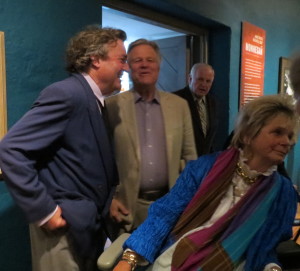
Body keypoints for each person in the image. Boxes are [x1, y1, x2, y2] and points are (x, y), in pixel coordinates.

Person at [113, 94, 299, 271]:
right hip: (178, 258)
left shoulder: (283, 194)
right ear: (248, 135)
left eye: (290, 136)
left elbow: (266, 248)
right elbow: (164, 214)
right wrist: (129, 258)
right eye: (278, 132)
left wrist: (272, 267)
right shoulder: (204, 168)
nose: (287, 142)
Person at [0, 25, 128, 271]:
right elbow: (10, 149)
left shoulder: (93, 100)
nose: (126, 67)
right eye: (121, 60)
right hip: (63, 233)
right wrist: (45, 211)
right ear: (96, 59)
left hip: (84, 227)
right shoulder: (67, 94)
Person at [106, 39, 197, 239]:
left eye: (150, 60)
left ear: (158, 65)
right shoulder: (111, 106)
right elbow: (99, 160)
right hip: (127, 210)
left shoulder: (179, 105)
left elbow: (191, 158)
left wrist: (188, 199)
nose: (144, 64)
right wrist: (109, 199)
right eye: (137, 60)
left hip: (170, 207)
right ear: (128, 67)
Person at [174, 63, 217, 156]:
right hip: (182, 165)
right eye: (200, 79)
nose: (204, 85)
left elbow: (209, 138)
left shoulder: (213, 102)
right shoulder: (175, 100)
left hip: (204, 164)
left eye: (208, 81)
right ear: (190, 79)